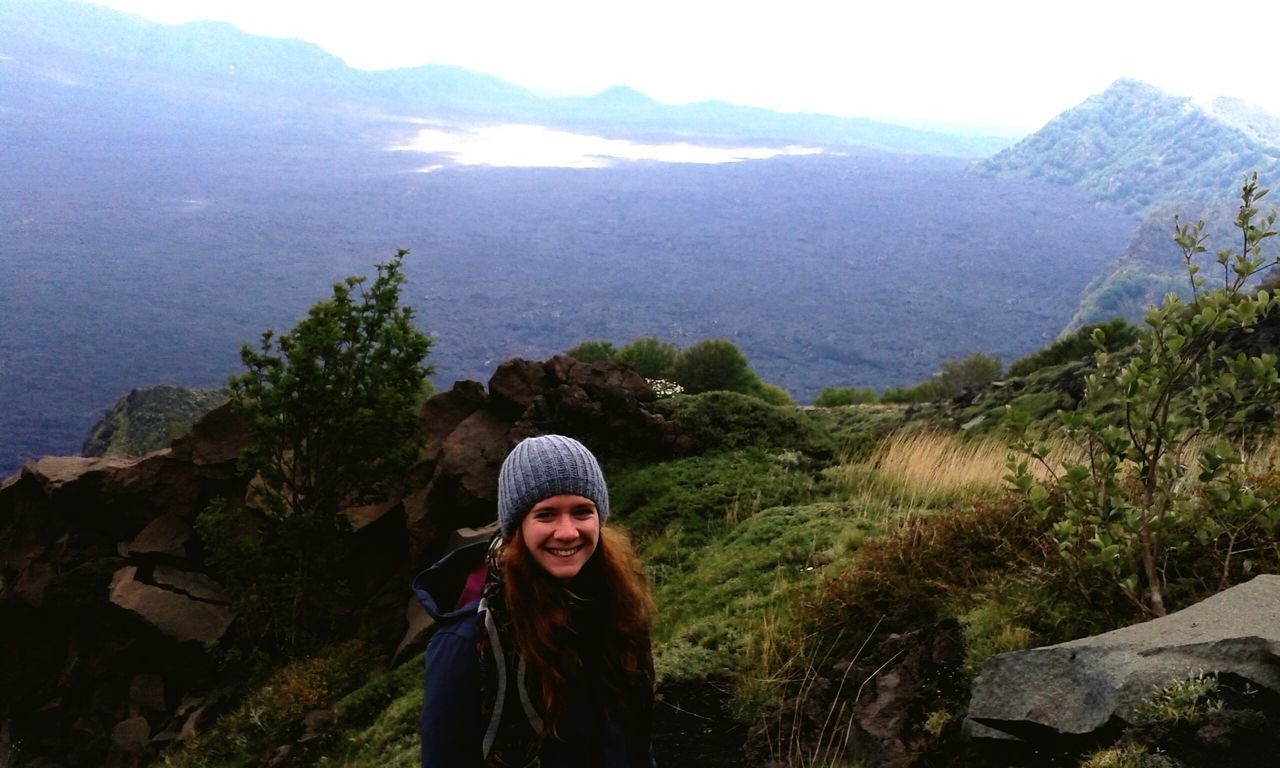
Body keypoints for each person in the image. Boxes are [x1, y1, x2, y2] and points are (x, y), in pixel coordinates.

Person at [416, 434, 657, 767]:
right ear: (518, 528)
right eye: (546, 515)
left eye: (582, 511)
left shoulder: (617, 607)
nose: (568, 532)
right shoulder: (467, 641)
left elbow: (633, 736)